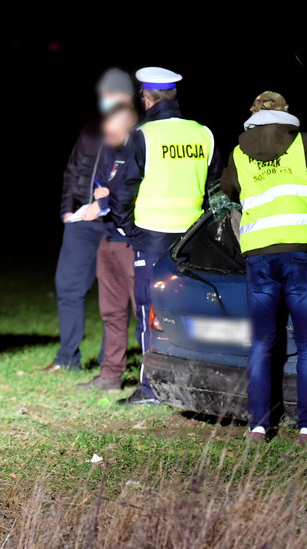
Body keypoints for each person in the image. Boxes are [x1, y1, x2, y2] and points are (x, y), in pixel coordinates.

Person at [219, 91, 307, 445]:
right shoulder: (306, 145)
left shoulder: (239, 153)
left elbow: (228, 190)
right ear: (286, 114)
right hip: (300, 257)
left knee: (262, 343)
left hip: (258, 258)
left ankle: (257, 427)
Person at [112, 67, 220, 405]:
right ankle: (203, 381)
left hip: (153, 236)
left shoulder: (142, 135)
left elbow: (122, 189)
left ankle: (151, 389)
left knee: (149, 311)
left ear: (147, 99)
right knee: (193, 309)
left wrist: (128, 228)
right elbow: (215, 188)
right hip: (193, 238)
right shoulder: (204, 134)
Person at [44, 68, 135, 372]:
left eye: (112, 95)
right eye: (103, 95)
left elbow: (136, 179)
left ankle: (114, 363)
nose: (106, 100)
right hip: (82, 222)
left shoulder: (139, 132)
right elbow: (73, 171)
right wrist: (67, 211)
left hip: (117, 223)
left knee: (120, 297)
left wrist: (109, 205)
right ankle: (67, 358)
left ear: (126, 97)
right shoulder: (91, 129)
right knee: (68, 287)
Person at [75, 102, 140, 391]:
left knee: (143, 314)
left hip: (133, 243)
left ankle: (151, 380)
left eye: (112, 131)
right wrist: (100, 197)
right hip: (110, 239)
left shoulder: (141, 152)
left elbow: (131, 193)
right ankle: (111, 375)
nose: (107, 136)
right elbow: (102, 182)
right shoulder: (112, 152)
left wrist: (105, 199)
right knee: (112, 312)